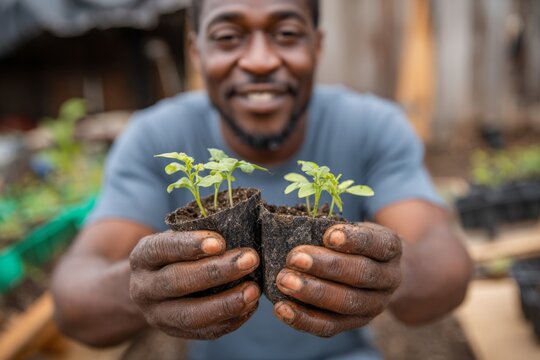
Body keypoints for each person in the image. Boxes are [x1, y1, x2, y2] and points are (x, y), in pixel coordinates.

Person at [51, 0, 473, 359]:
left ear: (317, 45)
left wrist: (395, 271)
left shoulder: (374, 125)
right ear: (197, 54)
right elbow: (74, 304)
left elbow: (445, 261)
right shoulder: (154, 135)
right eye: (228, 37)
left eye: (287, 33)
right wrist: (139, 286)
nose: (259, 61)